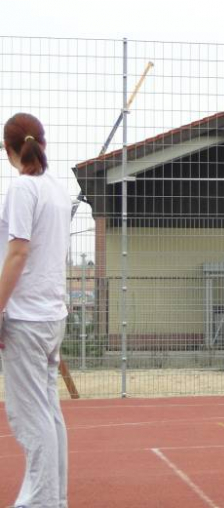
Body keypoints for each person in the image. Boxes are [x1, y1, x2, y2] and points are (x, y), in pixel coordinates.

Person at [0, 113, 71, 507]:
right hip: (50, 316)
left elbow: (19, 252)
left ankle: (44, 502)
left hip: (27, 318)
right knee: (48, 412)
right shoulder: (57, 191)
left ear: (9, 149)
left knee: (31, 417)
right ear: (43, 142)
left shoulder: (22, 189)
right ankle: (54, 498)